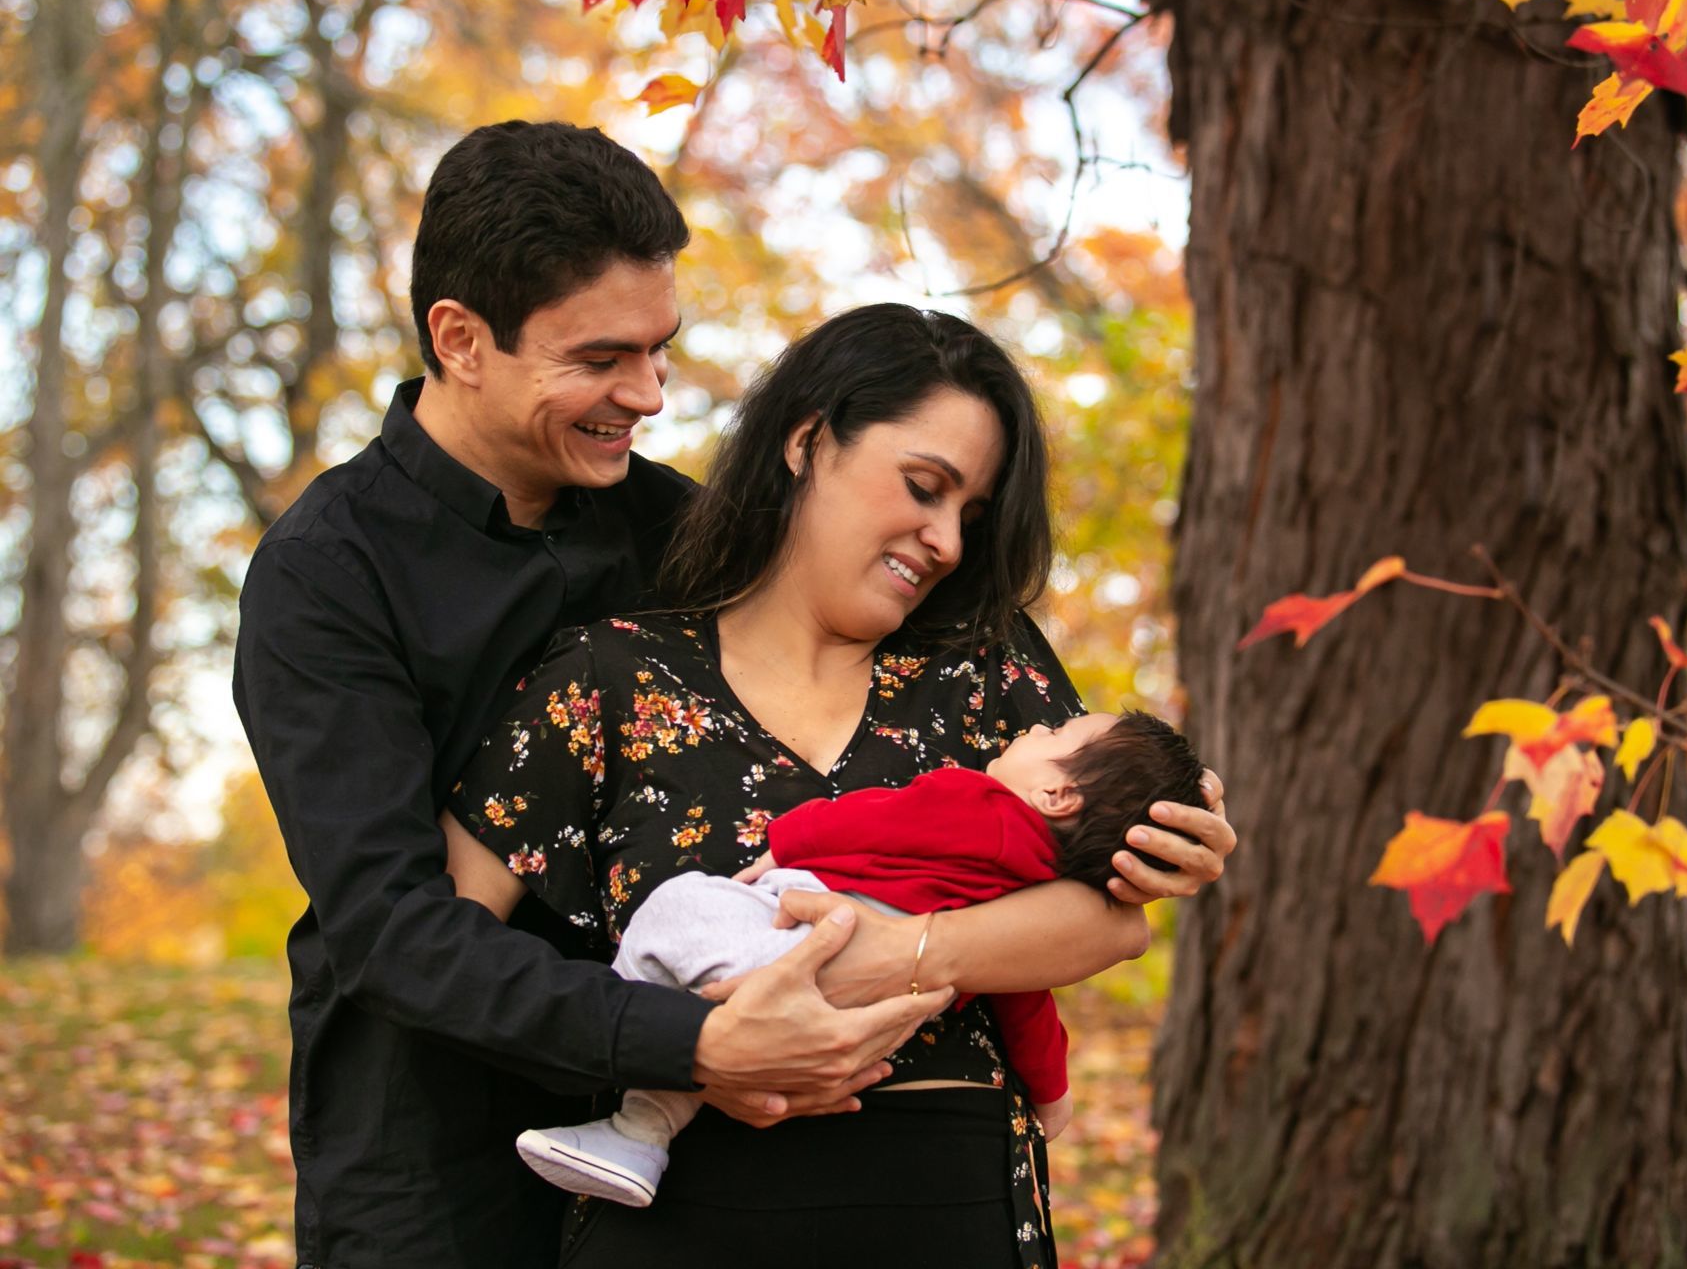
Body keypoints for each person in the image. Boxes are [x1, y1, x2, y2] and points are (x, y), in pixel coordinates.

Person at [232, 122, 1237, 1269]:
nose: (650, 394)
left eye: (662, 349)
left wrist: (1168, 815)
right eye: (605, 357)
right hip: (434, 1134)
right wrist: (703, 1039)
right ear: (460, 339)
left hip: (700, 1134)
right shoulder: (329, 575)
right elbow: (395, 929)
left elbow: (1071, 811)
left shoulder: (684, 535)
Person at [438, 301, 1220, 1268]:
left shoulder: (986, 674)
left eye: (970, 516)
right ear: (808, 440)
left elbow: (1108, 923)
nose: (947, 542)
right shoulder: (610, 679)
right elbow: (447, 952)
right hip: (684, 1218)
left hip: (952, 1213)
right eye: (924, 487)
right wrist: (681, 1043)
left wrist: (910, 951)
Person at [449, 709, 1207, 1208]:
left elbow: (883, 819)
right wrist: (1052, 1094)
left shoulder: (976, 803)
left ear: (1056, 794)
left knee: (674, 909)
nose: (1038, 723)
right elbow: (1025, 999)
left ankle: (635, 1097)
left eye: (1059, 731)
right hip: (876, 1021)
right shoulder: (1022, 897)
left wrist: (791, 840)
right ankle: (640, 1138)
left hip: (799, 936)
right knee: (715, 1034)